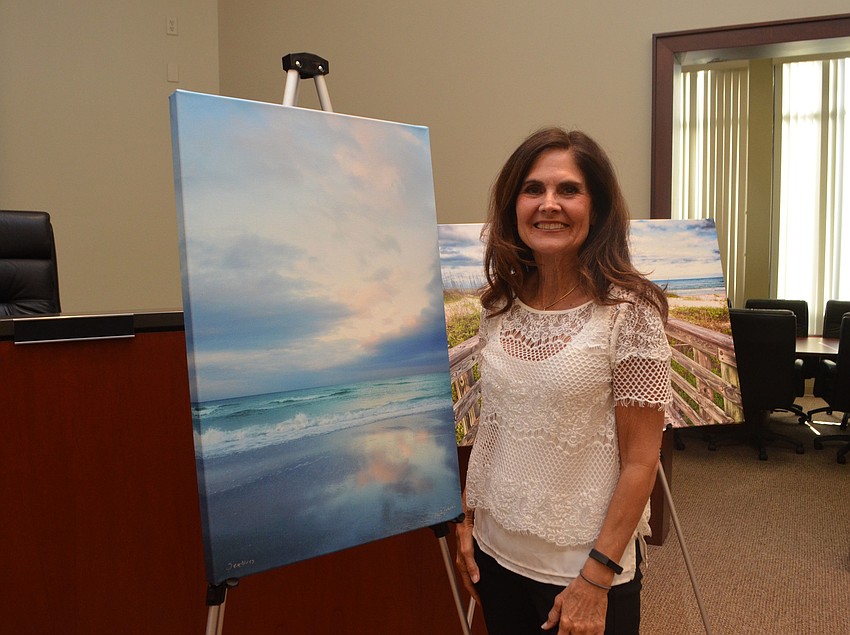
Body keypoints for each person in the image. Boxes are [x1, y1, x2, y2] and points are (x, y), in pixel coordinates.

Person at [455, 127, 672, 635]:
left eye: (568, 190)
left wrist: (596, 577)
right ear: (513, 206)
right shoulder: (500, 307)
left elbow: (642, 460)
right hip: (495, 552)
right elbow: (492, 428)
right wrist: (467, 520)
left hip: (581, 569)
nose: (548, 204)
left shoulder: (629, 315)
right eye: (533, 189)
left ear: (595, 208)